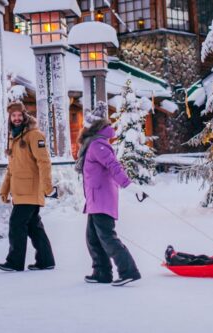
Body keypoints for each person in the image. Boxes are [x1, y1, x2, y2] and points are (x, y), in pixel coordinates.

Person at [75, 101, 145, 287]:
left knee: (106, 237)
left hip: (102, 198)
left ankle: (128, 271)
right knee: (93, 237)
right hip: (94, 199)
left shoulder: (98, 145)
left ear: (92, 127)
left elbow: (114, 166)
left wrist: (129, 185)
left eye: (87, 124)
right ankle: (101, 272)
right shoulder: (92, 144)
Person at [0, 102, 56, 272]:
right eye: (13, 116)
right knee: (33, 226)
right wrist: (4, 189)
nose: (16, 118)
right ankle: (46, 260)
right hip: (19, 190)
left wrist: (47, 187)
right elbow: (12, 168)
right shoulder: (13, 137)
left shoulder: (34, 135)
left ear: (24, 116)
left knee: (16, 224)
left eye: (19, 115)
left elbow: (44, 162)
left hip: (31, 189)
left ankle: (15, 262)